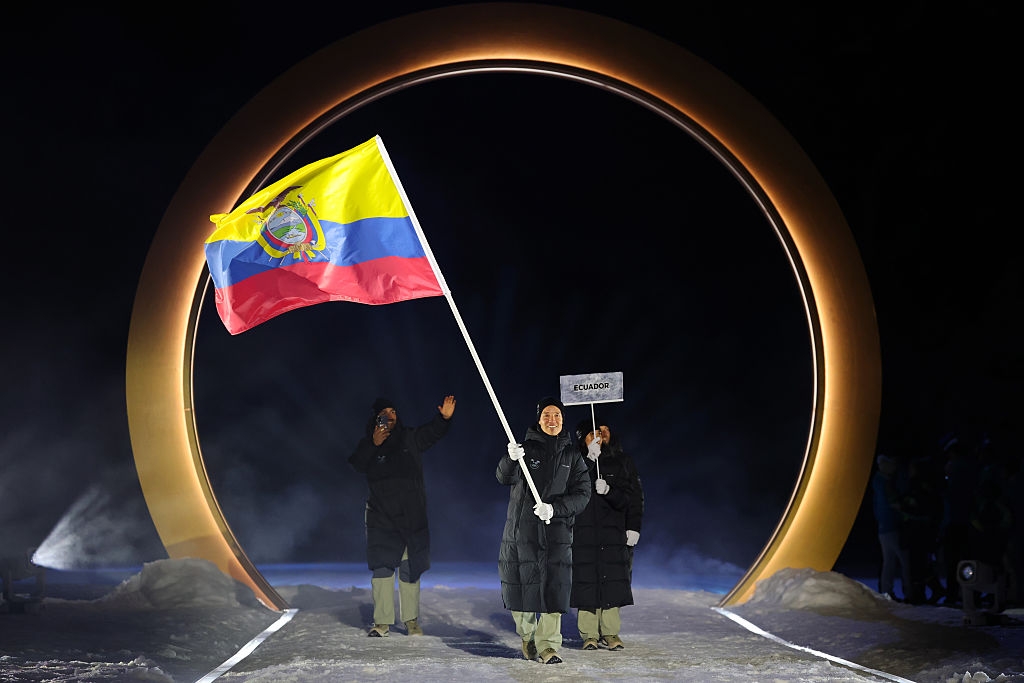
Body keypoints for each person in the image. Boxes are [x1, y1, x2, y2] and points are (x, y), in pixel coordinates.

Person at [348, 395, 456, 637]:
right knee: (383, 569)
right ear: (376, 418)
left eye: (393, 411)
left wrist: (444, 418)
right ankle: (382, 622)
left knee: (410, 569)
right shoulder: (368, 443)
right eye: (384, 412)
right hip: (380, 517)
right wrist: (373, 445)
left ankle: (411, 621)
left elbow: (432, 433)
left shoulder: (410, 437)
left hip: (411, 516)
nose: (390, 415)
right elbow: (356, 463)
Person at [498, 396, 591, 664]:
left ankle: (549, 646)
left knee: (554, 590)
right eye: (547, 415)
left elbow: (583, 493)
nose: (553, 420)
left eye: (557, 416)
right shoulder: (524, 449)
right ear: (539, 420)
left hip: (556, 533)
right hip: (522, 533)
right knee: (522, 589)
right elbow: (502, 477)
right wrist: (510, 458)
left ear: (563, 420)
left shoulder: (572, 455)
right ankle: (527, 637)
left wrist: (555, 509)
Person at [570, 417, 644, 651]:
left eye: (604, 431)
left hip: (613, 532)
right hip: (583, 533)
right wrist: (589, 462)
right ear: (583, 439)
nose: (601, 436)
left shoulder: (622, 461)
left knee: (612, 580)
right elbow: (568, 489)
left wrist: (634, 526)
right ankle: (589, 634)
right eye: (594, 433)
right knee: (587, 581)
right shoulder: (574, 461)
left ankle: (610, 633)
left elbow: (633, 497)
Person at [871, 453, 911, 601]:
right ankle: (909, 591)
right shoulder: (886, 483)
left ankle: (887, 591)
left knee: (889, 561)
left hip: (883, 527)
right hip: (892, 526)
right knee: (904, 561)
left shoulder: (877, 482)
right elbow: (895, 504)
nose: (894, 467)